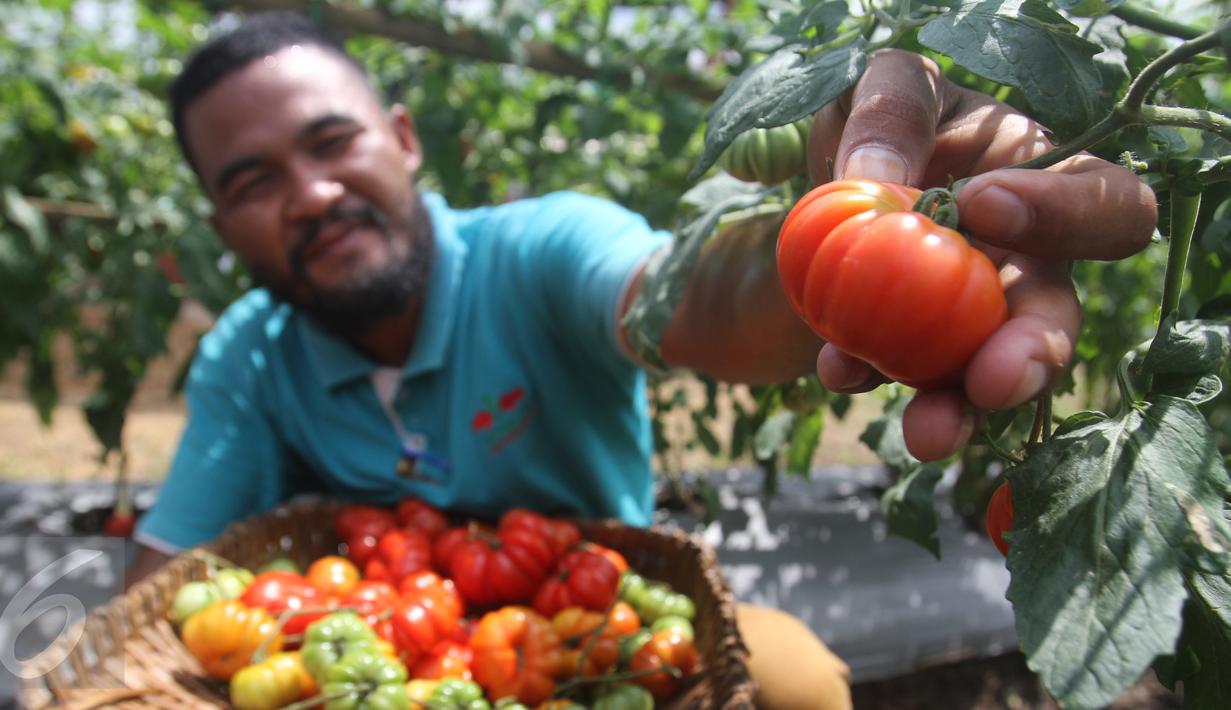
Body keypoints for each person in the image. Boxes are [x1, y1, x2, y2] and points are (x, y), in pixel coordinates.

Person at [128, 11, 1156, 710]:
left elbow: (689, 298)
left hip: (606, 627)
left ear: (401, 138)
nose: (309, 195)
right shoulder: (248, 358)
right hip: (400, 646)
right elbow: (159, 597)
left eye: (330, 142)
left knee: (797, 679)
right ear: (222, 221)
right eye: (255, 179)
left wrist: (834, 253)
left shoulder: (535, 253)